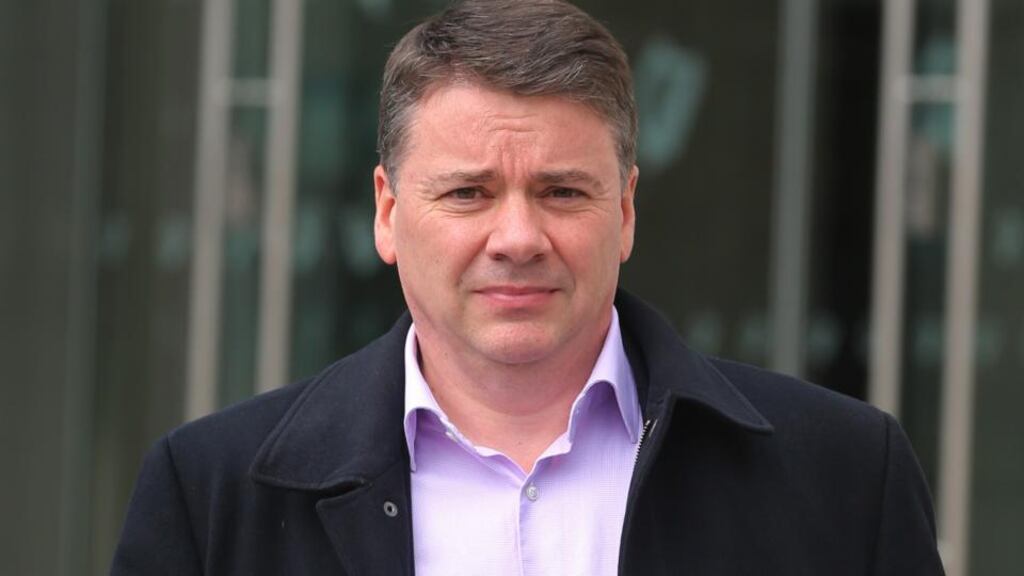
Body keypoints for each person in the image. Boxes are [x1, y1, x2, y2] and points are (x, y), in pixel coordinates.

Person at [111, 0, 945, 574]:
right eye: (469, 192)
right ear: (388, 211)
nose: (516, 239)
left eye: (562, 191)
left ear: (623, 211)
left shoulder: (843, 477)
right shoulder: (211, 496)